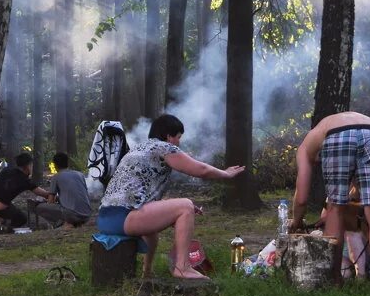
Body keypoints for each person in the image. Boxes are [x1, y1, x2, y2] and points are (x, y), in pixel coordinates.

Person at [95, 114, 245, 280]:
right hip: (124, 217)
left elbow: (139, 197)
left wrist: (172, 210)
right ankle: (182, 268)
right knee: (185, 205)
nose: (179, 142)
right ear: (168, 136)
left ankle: (147, 272)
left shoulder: (138, 149)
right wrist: (225, 174)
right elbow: (201, 170)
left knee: (154, 228)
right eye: (178, 137)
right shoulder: (163, 147)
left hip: (105, 218)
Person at [290, 111, 370, 293]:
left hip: (339, 135)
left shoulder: (304, 148)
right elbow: (358, 190)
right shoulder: (331, 123)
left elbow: (302, 198)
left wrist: (296, 222)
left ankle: (334, 281)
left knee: (336, 208)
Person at [0, 152, 51, 228]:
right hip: (0, 208)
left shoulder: (6, 171)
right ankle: (7, 229)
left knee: (10, 206)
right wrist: (55, 194)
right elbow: (44, 194)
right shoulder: (25, 181)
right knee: (22, 218)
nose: (32, 167)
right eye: (31, 165)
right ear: (27, 166)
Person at [37, 152, 92, 228]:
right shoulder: (80, 174)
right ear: (67, 163)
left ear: (55, 165)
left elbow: (50, 201)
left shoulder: (56, 177)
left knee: (40, 207)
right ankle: (76, 224)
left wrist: (47, 202)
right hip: (87, 215)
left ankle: (63, 224)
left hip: (72, 215)